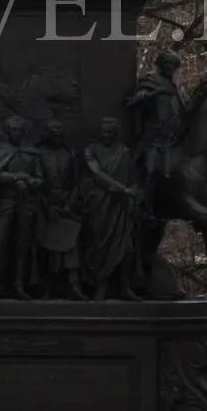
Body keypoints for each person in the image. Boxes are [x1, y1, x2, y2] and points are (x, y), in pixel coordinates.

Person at [0, 115, 43, 300]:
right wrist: (16, 177)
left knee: (22, 244)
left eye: (20, 130)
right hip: (4, 202)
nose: (17, 133)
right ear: (7, 130)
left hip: (25, 203)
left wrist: (29, 181)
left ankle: (19, 285)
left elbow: (40, 180)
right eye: (13, 129)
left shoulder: (32, 153)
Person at [81, 118, 143, 299]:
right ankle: (102, 285)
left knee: (126, 247)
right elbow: (97, 173)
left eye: (109, 132)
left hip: (121, 206)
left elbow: (133, 179)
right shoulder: (90, 150)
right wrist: (122, 188)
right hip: (100, 204)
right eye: (103, 132)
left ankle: (125, 287)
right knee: (99, 245)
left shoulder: (125, 153)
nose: (106, 135)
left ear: (115, 134)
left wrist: (134, 192)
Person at [126, 49, 188, 204]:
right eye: (167, 63)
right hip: (153, 137)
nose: (170, 67)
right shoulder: (151, 80)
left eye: (173, 64)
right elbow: (137, 99)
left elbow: (186, 108)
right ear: (160, 64)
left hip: (173, 139)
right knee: (149, 170)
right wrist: (154, 93)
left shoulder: (177, 87)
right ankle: (143, 203)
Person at [37, 120, 85, 299]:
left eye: (60, 134)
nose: (57, 137)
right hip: (46, 207)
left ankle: (74, 284)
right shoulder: (39, 154)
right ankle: (46, 288)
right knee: (49, 250)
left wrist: (69, 206)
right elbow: (38, 182)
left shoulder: (71, 154)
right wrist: (47, 205)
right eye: (53, 134)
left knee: (71, 248)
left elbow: (77, 184)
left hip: (67, 207)